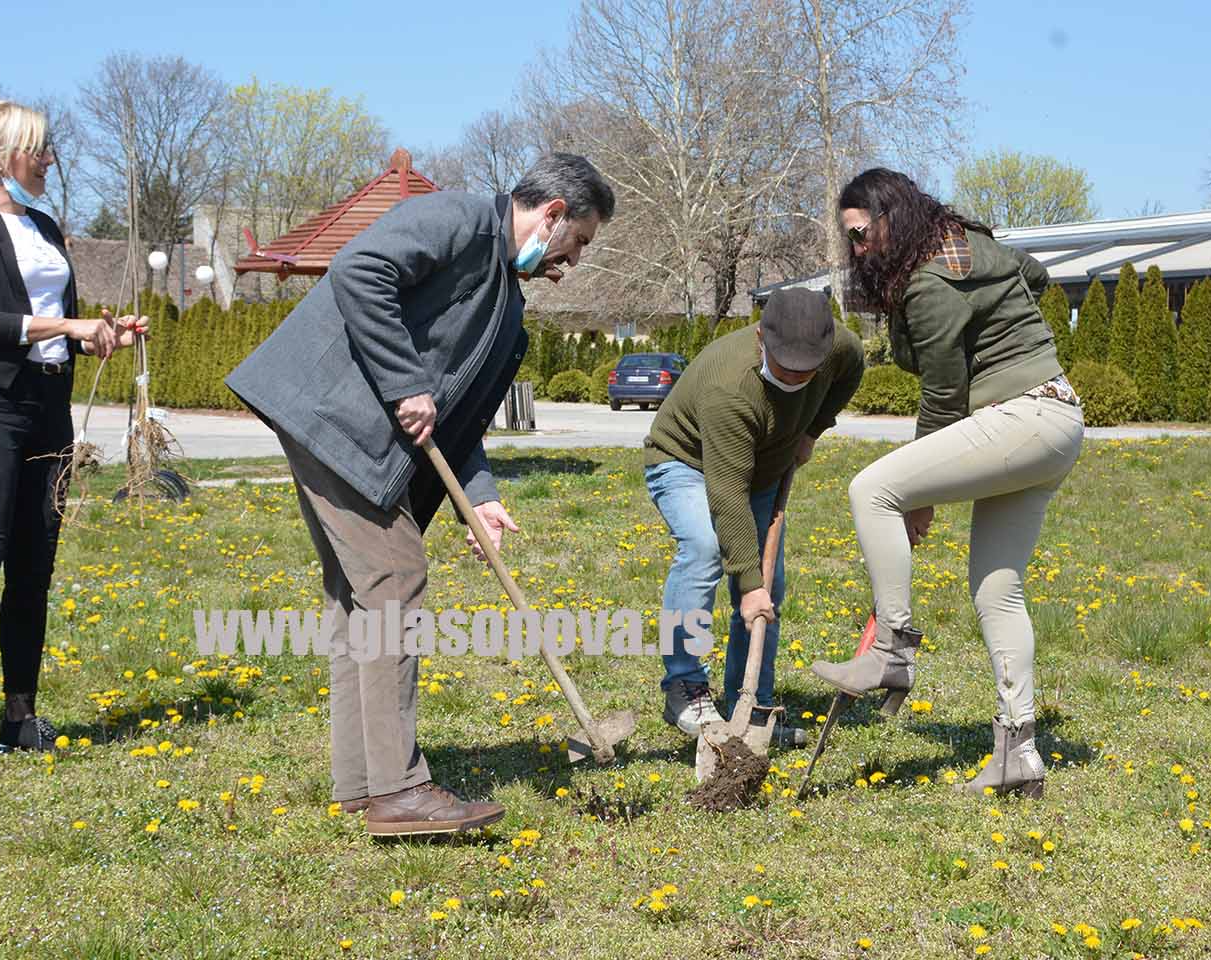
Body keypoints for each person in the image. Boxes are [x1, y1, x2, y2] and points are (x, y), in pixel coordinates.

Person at [227, 153, 614, 838]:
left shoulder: (506, 308)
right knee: (395, 579)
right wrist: (407, 382)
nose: (573, 260)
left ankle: (362, 785)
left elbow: (458, 416)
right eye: (578, 241)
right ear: (552, 213)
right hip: (333, 416)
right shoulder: (459, 219)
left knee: (361, 602)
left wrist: (481, 494)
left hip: (347, 431)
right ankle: (401, 792)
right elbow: (359, 270)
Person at [811, 168, 1084, 799]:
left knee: (872, 490)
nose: (857, 250)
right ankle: (1019, 755)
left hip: (1022, 416)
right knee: (997, 593)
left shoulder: (929, 283)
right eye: (849, 239)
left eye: (860, 234)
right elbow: (1035, 273)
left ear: (889, 218)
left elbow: (943, 396)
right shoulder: (970, 243)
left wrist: (920, 499)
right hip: (1056, 418)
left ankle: (893, 651)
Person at [0, 100, 147, 770]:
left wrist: (103, 335)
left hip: (47, 408)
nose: (50, 160)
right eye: (38, 149)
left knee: (34, 571)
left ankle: (19, 715)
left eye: (49, 148)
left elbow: (55, 324)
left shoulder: (45, 227)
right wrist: (67, 328)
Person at [645, 288, 863, 741]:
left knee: (770, 588)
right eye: (785, 367)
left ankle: (754, 706)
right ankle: (683, 685)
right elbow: (727, 493)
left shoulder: (839, 346)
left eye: (807, 371)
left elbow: (849, 373)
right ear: (761, 337)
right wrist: (747, 584)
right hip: (684, 461)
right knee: (707, 548)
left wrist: (813, 429)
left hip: (764, 467)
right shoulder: (731, 385)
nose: (795, 379)